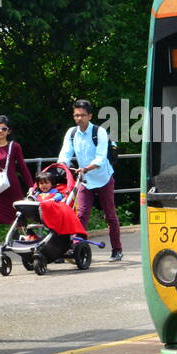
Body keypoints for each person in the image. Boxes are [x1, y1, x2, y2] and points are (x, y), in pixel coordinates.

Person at [58, 99, 122, 261]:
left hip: (103, 178)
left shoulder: (98, 131)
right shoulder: (72, 133)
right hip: (85, 179)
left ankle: (117, 249)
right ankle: (78, 249)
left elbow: (101, 158)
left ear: (90, 116)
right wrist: (61, 166)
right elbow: (65, 154)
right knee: (81, 215)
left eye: (82, 115)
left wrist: (86, 168)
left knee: (110, 216)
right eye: (76, 115)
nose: (79, 118)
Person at [0, 115, 34, 265]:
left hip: (12, 189)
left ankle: (28, 250)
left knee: (20, 222)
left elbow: (22, 167)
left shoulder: (14, 146)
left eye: (4, 128)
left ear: (9, 131)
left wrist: (31, 186)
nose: (0, 131)